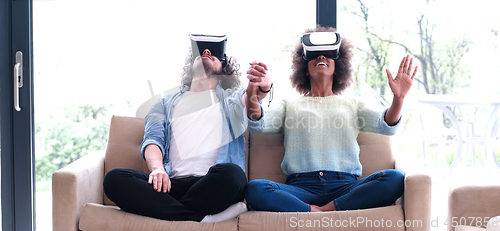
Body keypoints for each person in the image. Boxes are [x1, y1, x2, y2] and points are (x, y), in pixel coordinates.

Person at [245, 26, 418, 212]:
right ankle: (321, 210)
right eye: (314, 54)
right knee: (255, 189)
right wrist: (252, 95)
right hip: (301, 187)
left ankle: (319, 211)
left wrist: (398, 98)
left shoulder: (354, 103)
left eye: (328, 54)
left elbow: (386, 125)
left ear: (337, 67)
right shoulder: (290, 105)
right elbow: (259, 123)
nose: (321, 57)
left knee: (394, 179)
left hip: (345, 186)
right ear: (304, 69)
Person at [103, 34, 272, 222]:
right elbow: (153, 141)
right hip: (170, 186)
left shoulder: (231, 98)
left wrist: (257, 90)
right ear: (191, 64)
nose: (207, 53)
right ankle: (201, 218)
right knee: (115, 179)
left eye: (214, 54)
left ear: (224, 69)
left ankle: (166, 211)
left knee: (233, 174)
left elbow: (252, 110)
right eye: (201, 52)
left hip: (213, 185)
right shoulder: (163, 104)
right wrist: (158, 170)